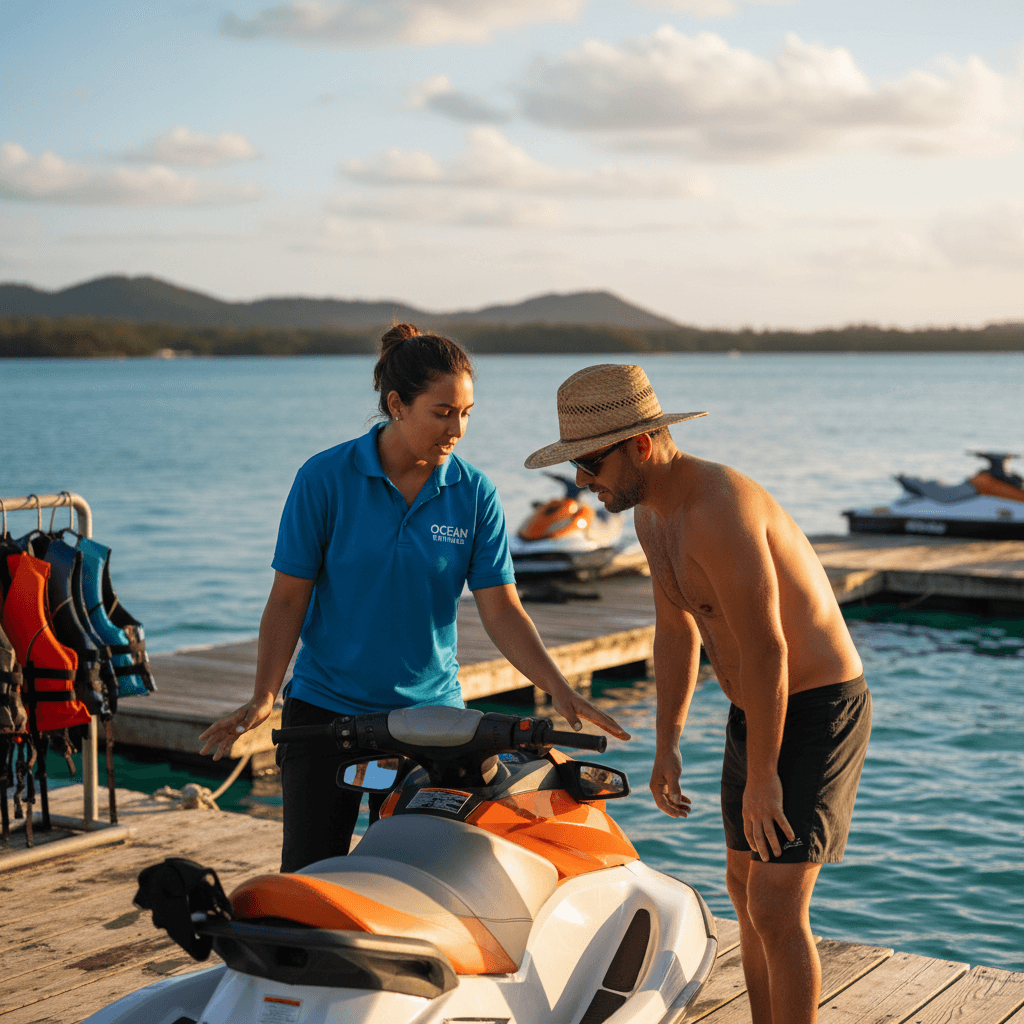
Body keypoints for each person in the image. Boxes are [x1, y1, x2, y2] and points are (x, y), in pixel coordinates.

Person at [199, 326, 629, 873]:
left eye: (467, 413)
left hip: (431, 723)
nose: (457, 429)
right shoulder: (325, 479)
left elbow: (501, 608)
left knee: (417, 876)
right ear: (397, 405)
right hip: (326, 713)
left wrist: (559, 689)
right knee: (310, 874)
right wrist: (263, 696)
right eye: (443, 412)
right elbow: (288, 599)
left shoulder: (472, 493)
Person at [524, 363, 870, 1024]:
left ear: (642, 445)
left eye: (590, 463)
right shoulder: (653, 517)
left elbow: (769, 646)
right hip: (756, 711)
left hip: (817, 709)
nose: (581, 482)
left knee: (774, 902)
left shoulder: (719, 506)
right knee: (743, 891)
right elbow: (675, 630)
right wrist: (667, 742)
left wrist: (764, 776)